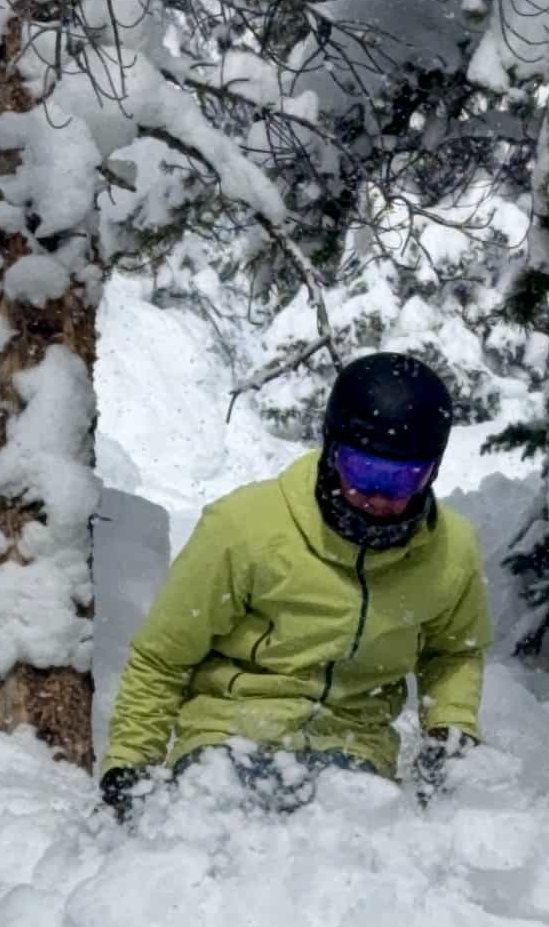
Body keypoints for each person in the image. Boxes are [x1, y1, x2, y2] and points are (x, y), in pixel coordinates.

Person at [98, 351, 493, 819]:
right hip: (231, 737)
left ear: (432, 472)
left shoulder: (450, 551)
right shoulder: (245, 527)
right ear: (331, 449)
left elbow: (454, 652)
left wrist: (449, 728)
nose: (379, 496)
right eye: (363, 470)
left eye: (403, 477)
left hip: (355, 750)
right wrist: (130, 763)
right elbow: (163, 656)